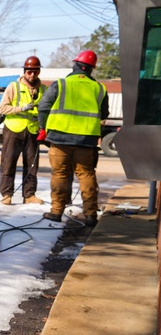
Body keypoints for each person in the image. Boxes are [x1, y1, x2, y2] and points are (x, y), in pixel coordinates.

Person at [37, 50, 109, 225]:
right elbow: (104, 113)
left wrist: (43, 128)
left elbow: (43, 107)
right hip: (86, 141)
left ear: (75, 65)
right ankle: (91, 215)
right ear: (91, 69)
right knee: (86, 175)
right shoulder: (99, 88)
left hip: (60, 139)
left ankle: (56, 212)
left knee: (60, 174)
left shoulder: (60, 84)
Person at [0, 56, 46, 205]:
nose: (32, 75)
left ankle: (29, 195)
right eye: (29, 71)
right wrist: (21, 109)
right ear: (25, 71)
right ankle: (7, 194)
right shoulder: (14, 87)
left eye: (35, 72)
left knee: (32, 165)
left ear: (39, 72)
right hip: (14, 130)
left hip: (33, 131)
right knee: (8, 162)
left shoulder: (44, 89)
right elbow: (2, 108)